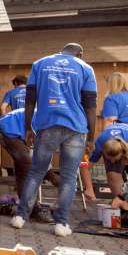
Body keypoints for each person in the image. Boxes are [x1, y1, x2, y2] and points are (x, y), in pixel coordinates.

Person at [11, 43, 98, 237]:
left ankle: (20, 216)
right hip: (76, 128)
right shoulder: (85, 68)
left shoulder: (40, 64)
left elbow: (30, 99)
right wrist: (91, 137)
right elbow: (91, 106)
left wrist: (27, 127)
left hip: (47, 125)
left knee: (36, 172)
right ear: (80, 54)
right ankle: (61, 224)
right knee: (68, 177)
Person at [0, 108, 61, 222]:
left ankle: (27, 208)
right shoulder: (49, 123)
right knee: (29, 168)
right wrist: (51, 176)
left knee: (23, 170)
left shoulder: (50, 121)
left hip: (10, 129)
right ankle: (33, 210)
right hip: (6, 129)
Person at [82, 122, 128, 198]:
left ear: (123, 153)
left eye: (115, 159)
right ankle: (121, 204)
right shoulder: (99, 144)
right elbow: (84, 164)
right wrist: (89, 188)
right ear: (102, 151)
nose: (112, 161)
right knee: (113, 175)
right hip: (115, 140)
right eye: (109, 159)